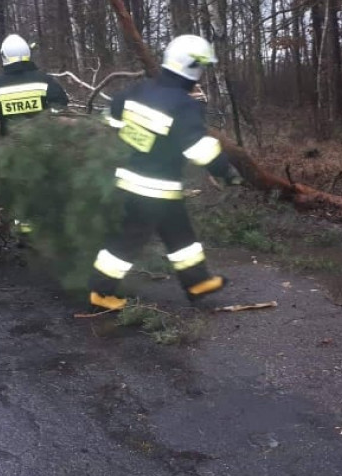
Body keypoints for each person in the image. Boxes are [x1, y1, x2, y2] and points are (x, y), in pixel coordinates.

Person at [88, 34, 241, 311]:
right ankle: (101, 291)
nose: (202, 74)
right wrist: (225, 171)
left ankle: (197, 281)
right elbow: (198, 149)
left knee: (180, 235)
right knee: (126, 242)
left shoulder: (138, 90)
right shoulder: (183, 104)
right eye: (202, 68)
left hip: (135, 183)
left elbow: (109, 117)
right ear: (193, 68)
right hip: (152, 189)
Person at [0, 34, 69, 135]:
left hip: (9, 145)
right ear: (27, 53)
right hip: (43, 142)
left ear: (4, 56)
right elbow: (61, 103)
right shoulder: (44, 79)